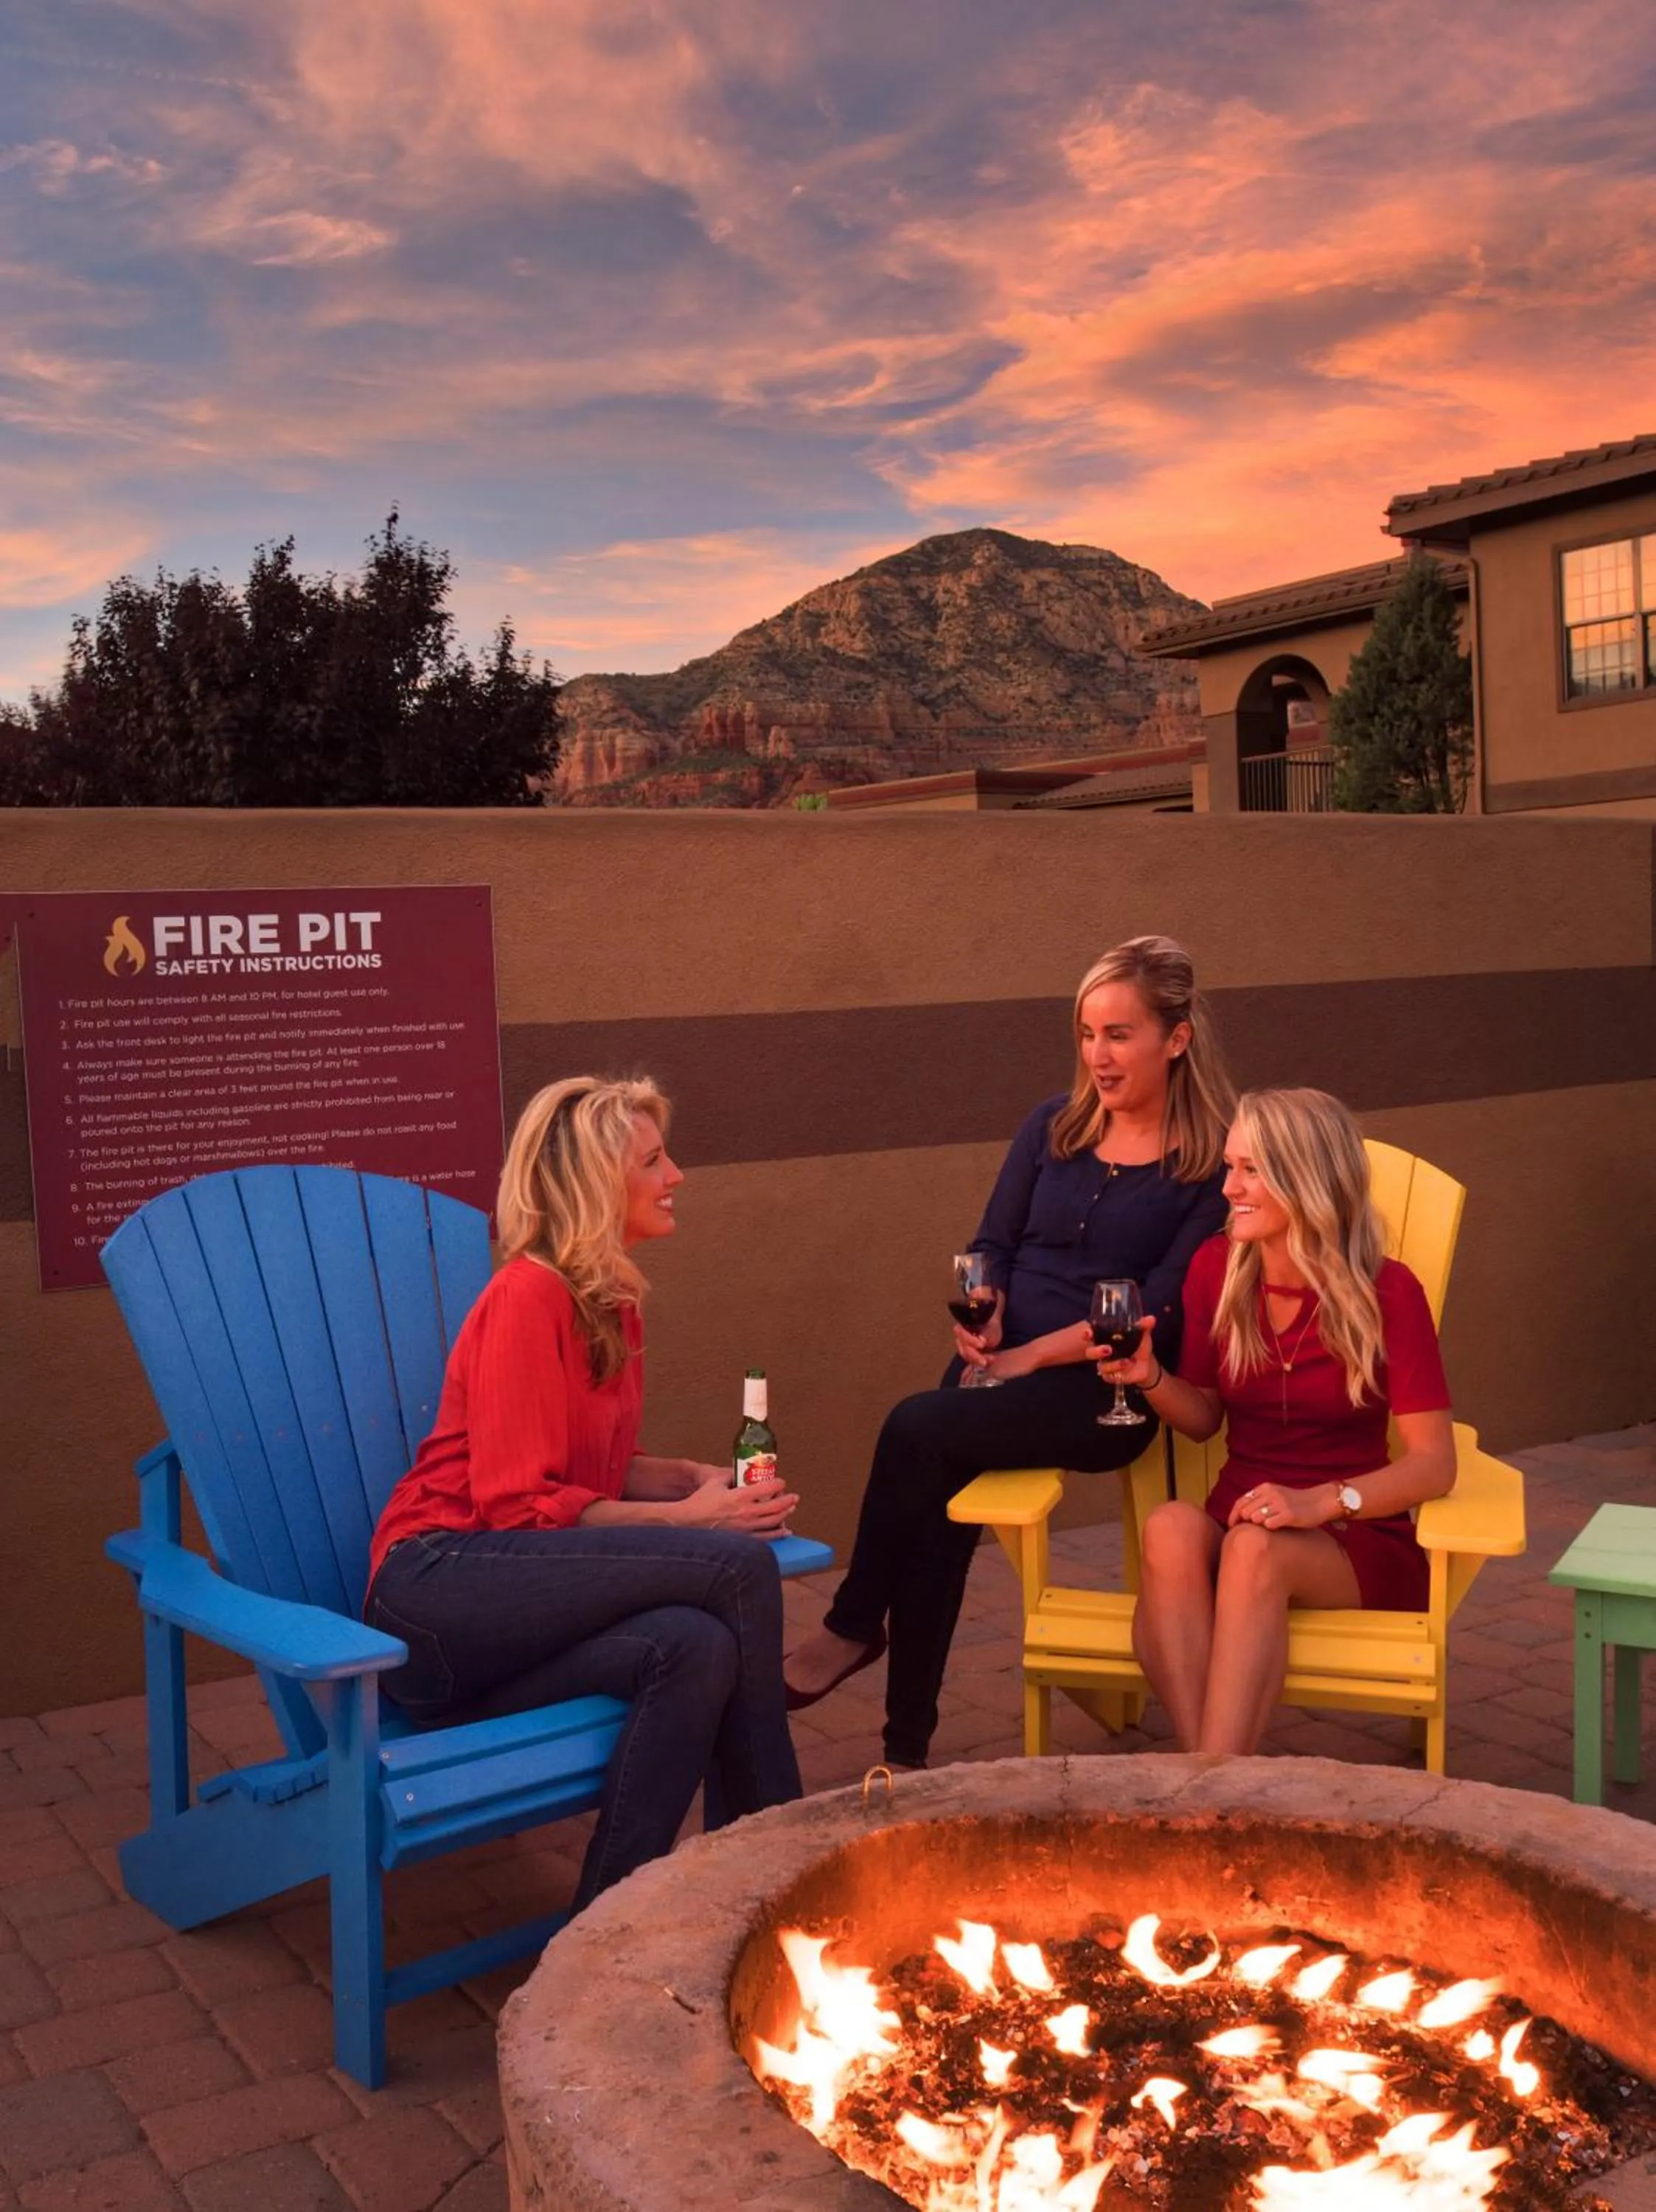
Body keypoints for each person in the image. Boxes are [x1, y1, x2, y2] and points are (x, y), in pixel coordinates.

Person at [784, 936, 1234, 1770]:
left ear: (1175, 1039)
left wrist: (1029, 1358)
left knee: (915, 1427)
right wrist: (985, 1309)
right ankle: (904, 1752)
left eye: (1119, 1035)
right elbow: (991, 1242)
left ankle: (852, 1625)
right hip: (1001, 1365)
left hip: (1105, 1393)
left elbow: (1155, 1310)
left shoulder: (1207, 1166)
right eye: (1086, 1034)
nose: (1097, 1056)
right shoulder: (1052, 1127)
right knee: (934, 1510)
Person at [363, 1076, 802, 1912]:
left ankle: (603, 1925)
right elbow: (517, 1504)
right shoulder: (526, 1297)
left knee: (694, 1647)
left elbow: (590, 1469)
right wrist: (691, 1524)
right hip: (438, 1591)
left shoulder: (609, 1303)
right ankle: (777, 1870)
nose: (675, 1176)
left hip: (509, 1620)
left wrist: (690, 1481)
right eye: (653, 1161)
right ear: (596, 1183)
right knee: (735, 1568)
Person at [1100, 1086, 1456, 1756]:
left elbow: (1435, 1464)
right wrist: (1149, 1377)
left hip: (1353, 1535)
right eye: (1229, 1167)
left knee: (1252, 1551)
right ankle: (1213, 1774)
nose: (1228, 1187)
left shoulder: (1389, 1293)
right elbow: (1203, 1418)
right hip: (1244, 1516)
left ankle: (1206, 1785)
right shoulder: (1217, 1270)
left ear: (1307, 1181)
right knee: (1171, 1526)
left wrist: (1320, 1501)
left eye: (1250, 1170)